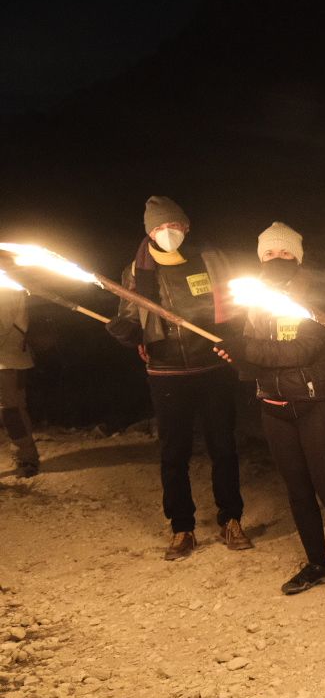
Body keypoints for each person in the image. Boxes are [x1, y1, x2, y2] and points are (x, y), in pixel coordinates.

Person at [215, 223, 325, 598]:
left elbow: (302, 350)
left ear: (298, 257)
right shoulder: (255, 298)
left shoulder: (314, 294)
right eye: (270, 254)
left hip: (318, 403)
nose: (277, 260)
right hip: (274, 405)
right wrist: (236, 358)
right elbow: (255, 355)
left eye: (285, 253)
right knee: (298, 492)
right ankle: (319, 565)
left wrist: (245, 349)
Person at [106, 196, 248, 560]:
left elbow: (238, 307)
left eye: (173, 226)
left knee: (223, 448)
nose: (167, 233)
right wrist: (124, 331)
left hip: (212, 368)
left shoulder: (210, 261)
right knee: (173, 454)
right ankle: (182, 527)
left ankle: (231, 519)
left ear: (185, 227)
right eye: (159, 228)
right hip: (166, 373)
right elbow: (130, 317)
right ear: (149, 232)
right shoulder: (136, 272)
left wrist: (234, 337)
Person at [0, 280, 39, 478]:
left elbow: (1, 327)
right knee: (11, 410)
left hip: (8, 362)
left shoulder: (5, 285)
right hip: (8, 360)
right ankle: (25, 456)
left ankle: (27, 458)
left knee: (11, 410)